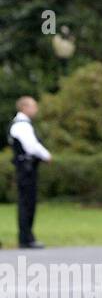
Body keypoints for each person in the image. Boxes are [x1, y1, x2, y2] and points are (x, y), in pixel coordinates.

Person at [8, 96, 52, 249]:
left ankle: (26, 237)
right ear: (24, 107)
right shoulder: (22, 125)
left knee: (26, 202)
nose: (36, 110)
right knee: (27, 202)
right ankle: (26, 238)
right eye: (33, 106)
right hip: (26, 169)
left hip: (25, 168)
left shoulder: (21, 124)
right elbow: (31, 146)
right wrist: (46, 156)